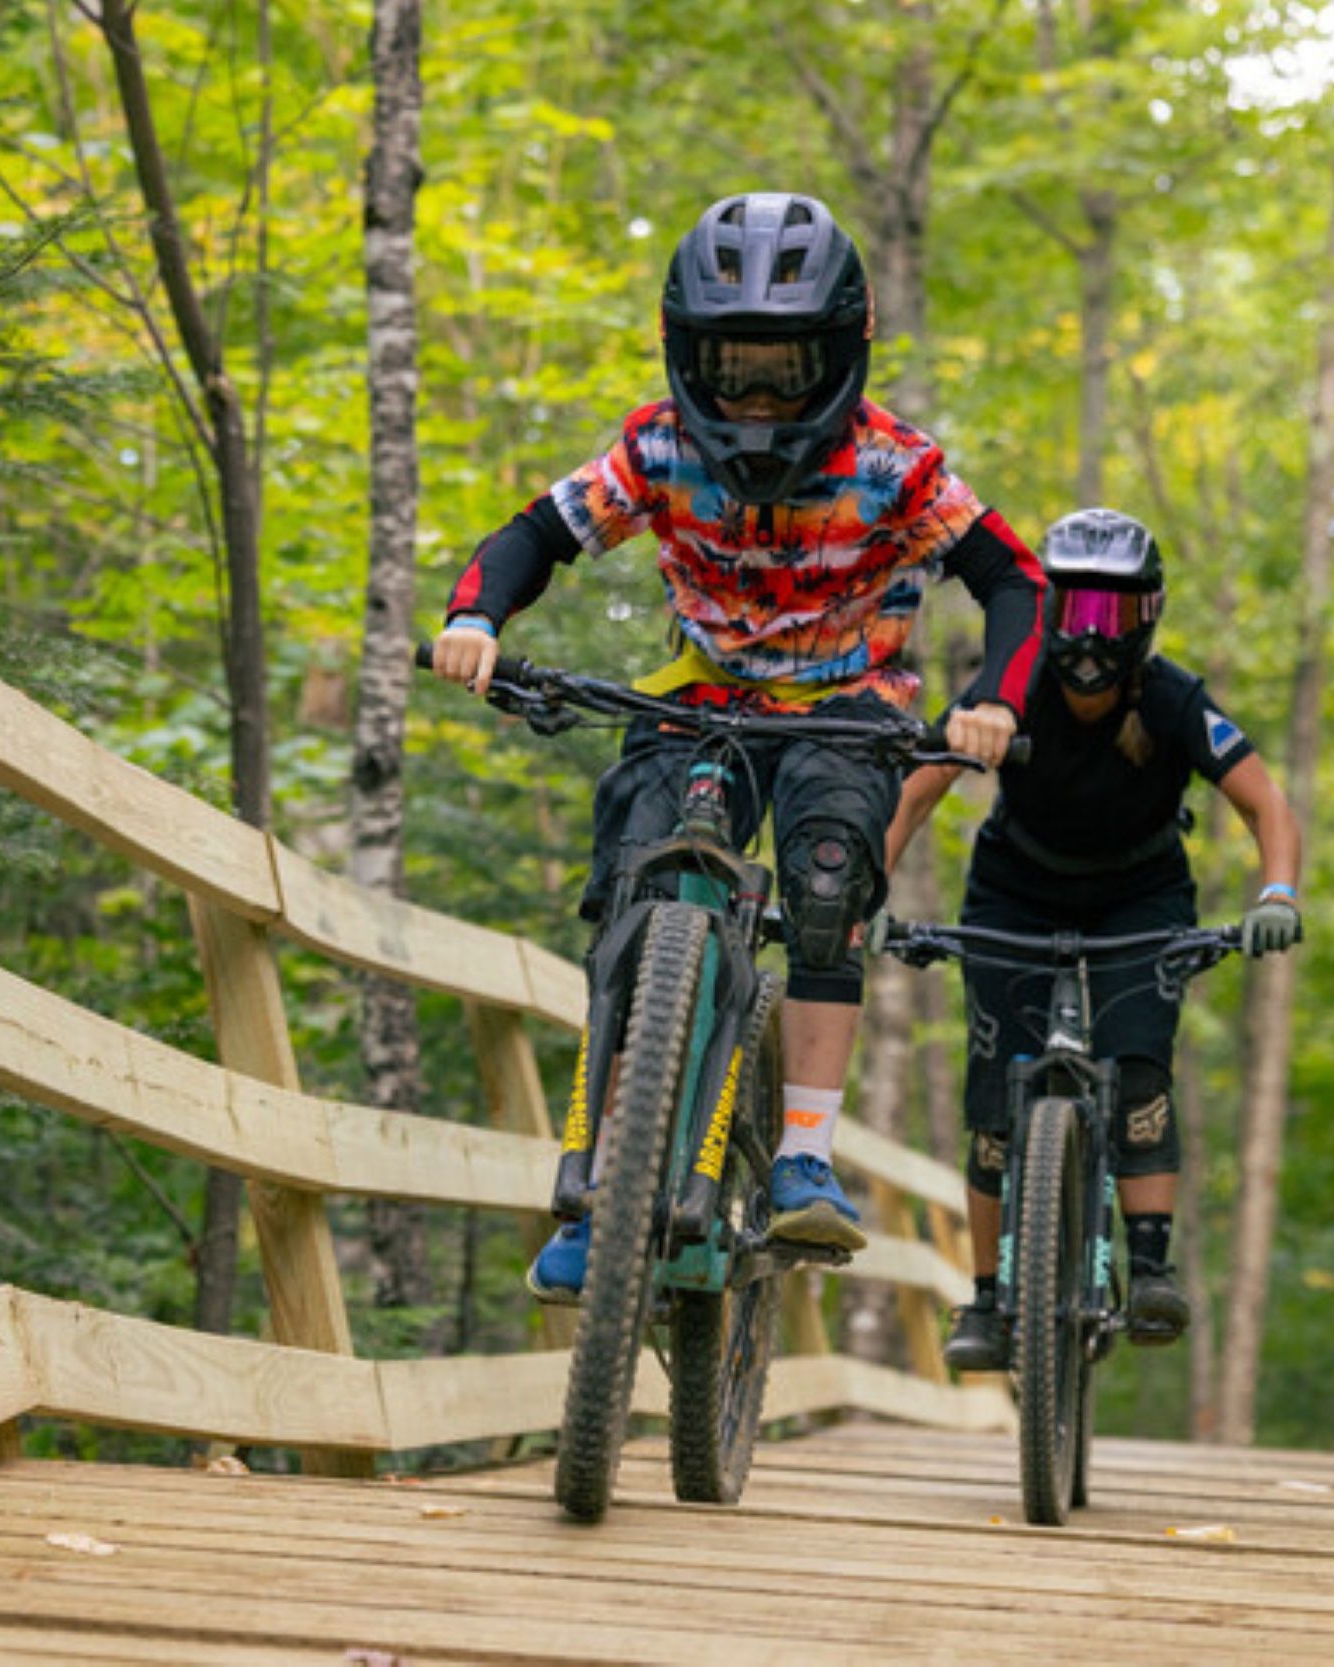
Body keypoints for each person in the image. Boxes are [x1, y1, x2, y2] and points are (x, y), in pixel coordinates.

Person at [426, 192, 1045, 1304]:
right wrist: (475, 618)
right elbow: (533, 535)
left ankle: (805, 1151)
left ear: (838, 357)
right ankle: (604, 1178)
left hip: (848, 696)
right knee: (631, 884)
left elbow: (1015, 579)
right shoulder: (655, 445)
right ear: (687, 352)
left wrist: (994, 700)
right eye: (734, 366)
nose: (758, 398)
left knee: (822, 880)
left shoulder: (896, 464)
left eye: (785, 369)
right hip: (701, 688)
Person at [884, 507, 1302, 1368]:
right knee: (994, 1094)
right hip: (1013, 889)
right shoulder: (1011, 684)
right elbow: (918, 789)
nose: (1087, 637)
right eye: (1071, 610)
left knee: (1141, 1062)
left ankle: (1149, 1267)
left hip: (1140, 897)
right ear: (1043, 611)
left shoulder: (1174, 698)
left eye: (1110, 616)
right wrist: (866, 889)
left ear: (1145, 619)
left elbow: (1267, 804)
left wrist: (1278, 892)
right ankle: (990, 1301)